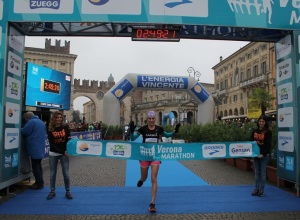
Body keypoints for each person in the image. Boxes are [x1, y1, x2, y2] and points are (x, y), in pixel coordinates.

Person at [129, 110, 180, 212]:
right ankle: (141, 180)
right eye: (149, 118)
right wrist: (131, 131)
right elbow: (133, 139)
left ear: (155, 119)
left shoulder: (159, 129)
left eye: (153, 119)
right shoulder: (143, 129)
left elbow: (167, 135)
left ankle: (152, 203)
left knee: (153, 178)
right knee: (144, 177)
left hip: (155, 156)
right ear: (147, 119)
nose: (151, 120)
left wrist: (175, 131)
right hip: (144, 155)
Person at [46, 111, 73, 200]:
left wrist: (71, 143)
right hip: (53, 153)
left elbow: (68, 137)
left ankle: (68, 191)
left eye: (60, 118)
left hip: (64, 153)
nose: (59, 119)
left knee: (66, 173)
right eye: (57, 118)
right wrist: (62, 152)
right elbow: (52, 144)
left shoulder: (65, 127)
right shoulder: (50, 128)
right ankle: (52, 191)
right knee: (53, 174)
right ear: (54, 118)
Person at [21, 112, 46, 189]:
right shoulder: (40, 122)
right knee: (38, 165)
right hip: (40, 147)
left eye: (25, 119)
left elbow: (24, 131)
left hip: (34, 147)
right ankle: (40, 182)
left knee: (35, 166)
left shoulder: (31, 122)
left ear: (27, 118)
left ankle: (38, 183)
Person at [250, 114, 272, 197]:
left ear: (265, 122)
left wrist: (263, 154)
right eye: (260, 121)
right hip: (256, 155)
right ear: (258, 122)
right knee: (257, 173)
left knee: (262, 173)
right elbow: (250, 141)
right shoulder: (255, 131)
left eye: (263, 121)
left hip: (264, 155)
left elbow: (268, 145)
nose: (261, 123)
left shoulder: (268, 132)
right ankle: (256, 188)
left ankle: (261, 190)